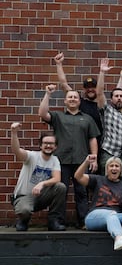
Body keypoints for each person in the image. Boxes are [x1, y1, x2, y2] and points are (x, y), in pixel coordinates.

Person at [38, 84, 100, 228]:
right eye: (70, 97)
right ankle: (56, 221)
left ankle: (84, 222)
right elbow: (42, 113)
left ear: (79, 101)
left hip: (81, 161)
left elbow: (92, 139)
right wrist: (48, 94)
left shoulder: (87, 118)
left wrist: (94, 157)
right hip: (60, 161)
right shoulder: (58, 116)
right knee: (60, 191)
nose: (72, 99)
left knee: (82, 192)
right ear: (65, 101)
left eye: (75, 97)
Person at [74, 155, 122, 251]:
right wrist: (86, 162)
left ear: (121, 170)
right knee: (112, 214)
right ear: (107, 169)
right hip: (94, 217)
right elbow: (78, 176)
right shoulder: (98, 180)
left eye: (117, 166)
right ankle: (118, 238)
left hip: (114, 218)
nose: (114, 168)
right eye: (111, 166)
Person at [10, 122, 66, 232]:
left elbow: (57, 179)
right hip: (24, 196)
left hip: (40, 196)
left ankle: (53, 221)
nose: (48, 146)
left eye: (51, 143)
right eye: (45, 143)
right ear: (40, 145)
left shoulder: (55, 160)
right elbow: (17, 151)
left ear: (55, 146)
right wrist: (14, 133)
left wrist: (41, 184)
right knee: (25, 210)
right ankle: (23, 220)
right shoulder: (31, 156)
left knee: (60, 187)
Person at [53, 52, 103, 139]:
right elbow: (64, 84)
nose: (90, 89)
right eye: (87, 87)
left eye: (93, 87)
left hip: (100, 144)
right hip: (81, 142)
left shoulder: (103, 105)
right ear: (84, 90)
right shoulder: (80, 102)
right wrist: (59, 64)